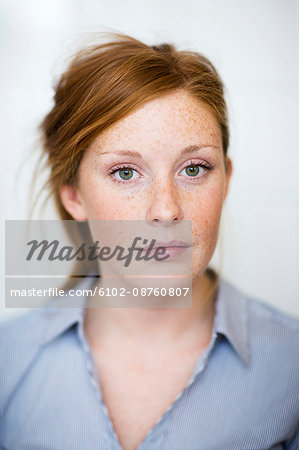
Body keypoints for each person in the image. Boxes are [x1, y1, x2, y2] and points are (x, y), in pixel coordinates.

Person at [1, 33, 298, 450]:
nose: (165, 210)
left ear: (225, 180)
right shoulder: (8, 360)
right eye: (125, 172)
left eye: (194, 169)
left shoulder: (291, 366)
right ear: (74, 196)